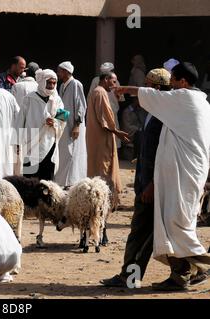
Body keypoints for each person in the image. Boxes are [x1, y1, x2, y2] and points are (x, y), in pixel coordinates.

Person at [116, 62, 210, 291]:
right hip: (170, 178)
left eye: (174, 82)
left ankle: (201, 266)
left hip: (180, 177)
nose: (172, 87)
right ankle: (181, 275)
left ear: (183, 83)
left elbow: (146, 95)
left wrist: (125, 89)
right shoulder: (176, 106)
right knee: (168, 226)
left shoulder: (183, 100)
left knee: (176, 224)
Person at [101, 68, 171, 288]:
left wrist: (151, 183)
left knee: (141, 234)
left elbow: (161, 154)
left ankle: (130, 277)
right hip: (145, 183)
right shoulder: (152, 112)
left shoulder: (162, 116)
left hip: (152, 186)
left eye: (147, 86)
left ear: (156, 89)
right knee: (145, 234)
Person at [86, 72, 130, 208]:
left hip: (98, 137)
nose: (115, 85)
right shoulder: (100, 93)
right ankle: (103, 201)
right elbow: (104, 119)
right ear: (106, 79)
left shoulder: (98, 92)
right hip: (102, 138)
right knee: (103, 169)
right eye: (113, 81)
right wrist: (117, 132)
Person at [15, 69, 65, 181]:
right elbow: (19, 121)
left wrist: (55, 122)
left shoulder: (57, 100)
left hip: (50, 141)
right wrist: (17, 142)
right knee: (30, 176)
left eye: (54, 83)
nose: (51, 86)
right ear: (42, 82)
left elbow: (62, 119)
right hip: (31, 141)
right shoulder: (29, 98)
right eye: (49, 82)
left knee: (47, 177)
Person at [54, 61, 87, 188]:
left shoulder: (76, 84)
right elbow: (62, 106)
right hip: (64, 125)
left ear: (66, 72)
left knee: (73, 153)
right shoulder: (62, 86)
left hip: (74, 125)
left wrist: (77, 124)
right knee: (64, 153)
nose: (58, 73)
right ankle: (64, 182)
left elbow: (81, 105)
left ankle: (73, 181)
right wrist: (58, 122)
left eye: (60, 71)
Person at [88, 62, 125, 148]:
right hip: (110, 112)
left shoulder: (95, 80)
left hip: (99, 112)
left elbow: (90, 97)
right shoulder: (116, 81)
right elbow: (121, 98)